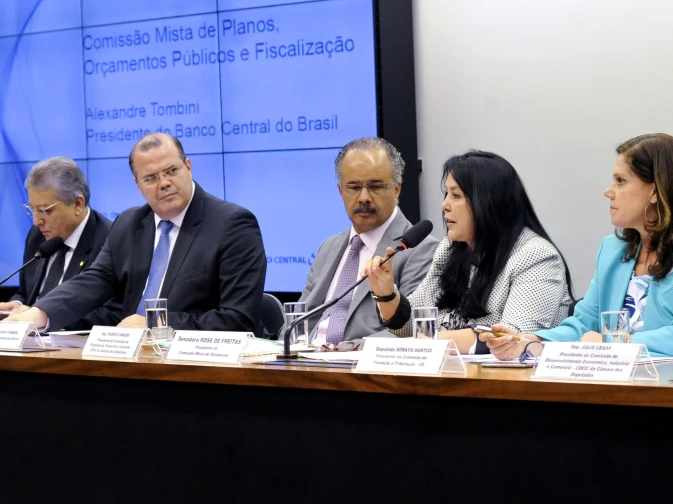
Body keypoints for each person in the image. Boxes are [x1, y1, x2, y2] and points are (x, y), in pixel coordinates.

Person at [482, 133, 673, 360]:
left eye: (620, 181)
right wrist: (529, 341)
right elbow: (585, 324)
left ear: (655, 190)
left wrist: (609, 343)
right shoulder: (613, 250)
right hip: (622, 385)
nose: (608, 191)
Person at [4, 133, 266, 334]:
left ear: (188, 166)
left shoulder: (232, 225)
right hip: (133, 363)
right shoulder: (130, 224)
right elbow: (93, 281)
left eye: (172, 171)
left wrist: (156, 325)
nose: (164, 183)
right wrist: (40, 313)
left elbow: (238, 319)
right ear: (137, 184)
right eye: (150, 178)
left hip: (203, 370)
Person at [362, 150, 574, 354]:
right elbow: (414, 327)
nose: (444, 205)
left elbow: (513, 340)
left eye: (456, 195)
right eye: (446, 194)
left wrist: (429, 343)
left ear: (488, 202)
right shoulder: (449, 250)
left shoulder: (536, 257)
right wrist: (386, 293)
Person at [299, 137, 438, 347]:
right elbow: (296, 322)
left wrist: (341, 350)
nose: (364, 197)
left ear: (396, 189)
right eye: (353, 187)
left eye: (374, 186)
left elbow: (411, 332)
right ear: (340, 191)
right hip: (304, 364)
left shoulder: (421, 249)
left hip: (361, 369)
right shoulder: (329, 247)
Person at [0, 157, 121, 330]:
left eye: (44, 211)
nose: (36, 221)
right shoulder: (38, 236)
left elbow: (112, 314)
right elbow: (26, 293)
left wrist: (46, 318)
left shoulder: (110, 241)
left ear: (78, 204)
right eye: (32, 210)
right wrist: (16, 306)